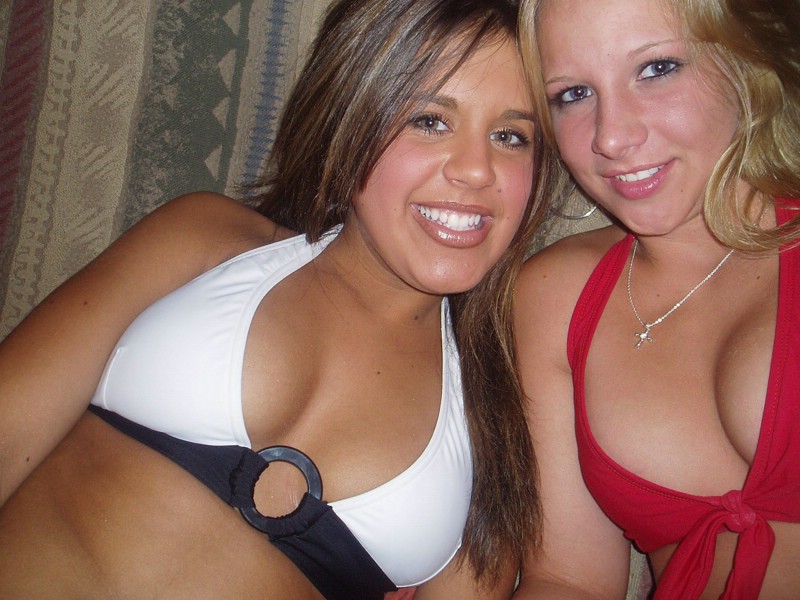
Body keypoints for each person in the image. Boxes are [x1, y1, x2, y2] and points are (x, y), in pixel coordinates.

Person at [0, 0, 546, 597]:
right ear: (348, 118)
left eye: (510, 136)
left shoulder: (496, 424)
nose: (477, 170)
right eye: (430, 120)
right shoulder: (207, 241)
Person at [512, 0, 800, 597]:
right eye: (573, 94)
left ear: (744, 60)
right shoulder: (554, 297)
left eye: (657, 69)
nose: (612, 137)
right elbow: (568, 580)